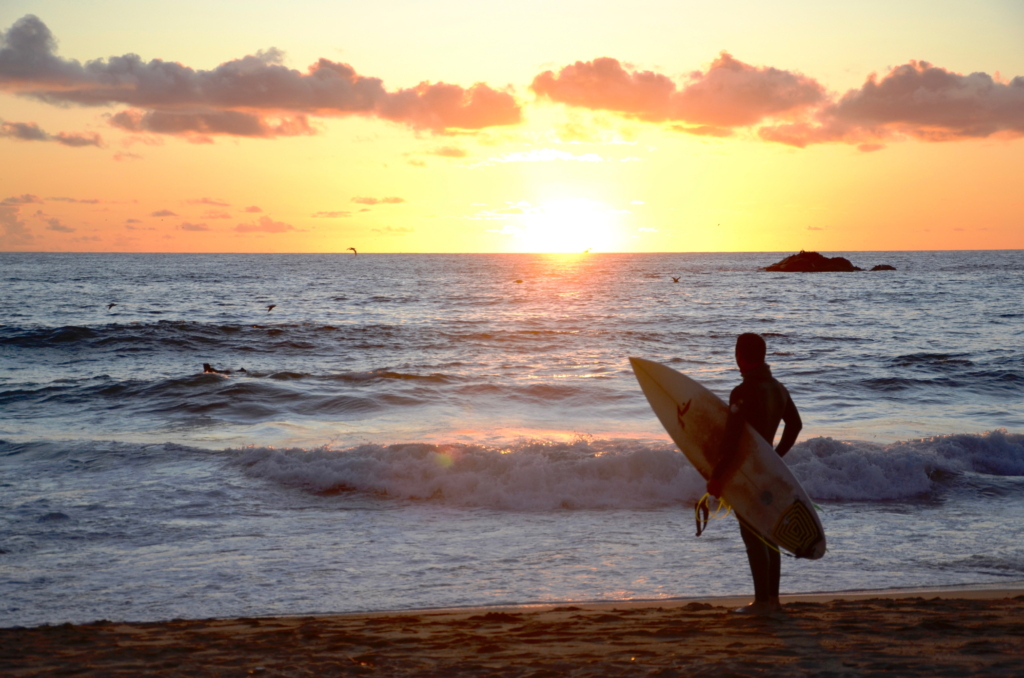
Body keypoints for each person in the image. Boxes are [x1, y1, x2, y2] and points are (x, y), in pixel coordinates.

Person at [707, 333, 802, 615]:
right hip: (767, 471)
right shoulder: (778, 388)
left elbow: (732, 439)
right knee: (768, 533)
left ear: (740, 356)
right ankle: (772, 601)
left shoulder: (743, 392)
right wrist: (775, 457)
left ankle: (761, 603)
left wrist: (717, 476)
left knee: (753, 536)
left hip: (747, 473)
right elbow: (795, 426)